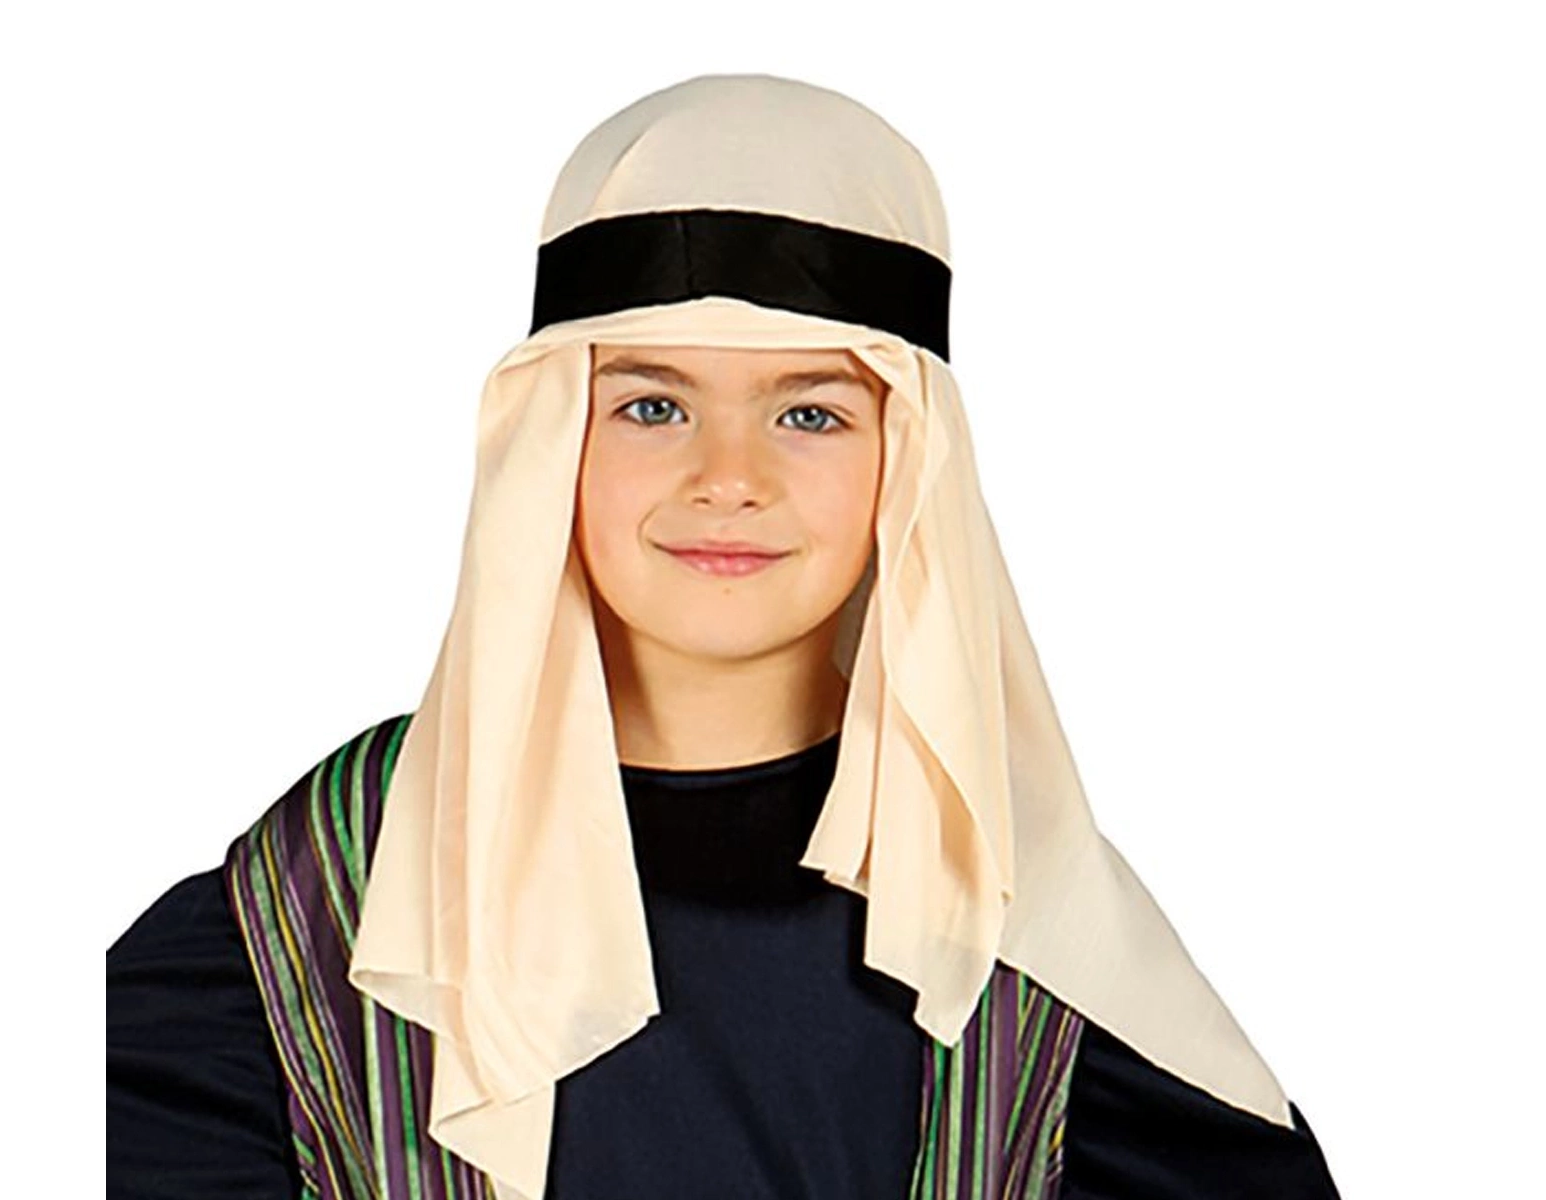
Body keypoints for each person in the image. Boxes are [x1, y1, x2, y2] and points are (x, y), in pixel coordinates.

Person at [107, 73, 1343, 1200]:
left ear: (908, 463)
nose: (729, 478)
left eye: (810, 414)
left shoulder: (1023, 918)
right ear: (550, 446)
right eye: (653, 406)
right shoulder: (328, 898)